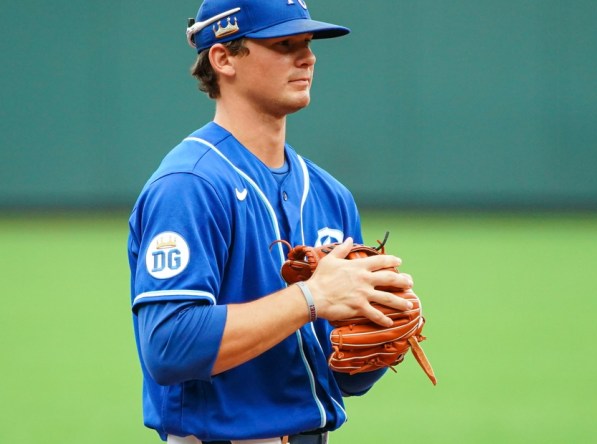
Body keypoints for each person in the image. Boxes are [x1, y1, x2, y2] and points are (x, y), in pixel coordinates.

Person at [127, 1, 415, 443]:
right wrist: (312, 297)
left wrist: (377, 333)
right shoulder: (190, 185)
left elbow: (339, 378)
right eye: (283, 43)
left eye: (307, 43)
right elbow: (169, 347)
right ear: (223, 59)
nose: (307, 57)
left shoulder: (329, 194)